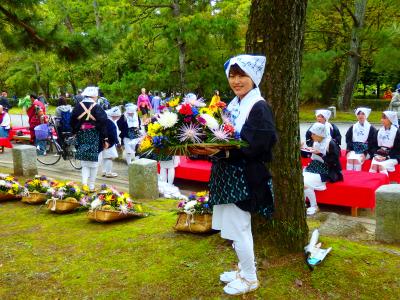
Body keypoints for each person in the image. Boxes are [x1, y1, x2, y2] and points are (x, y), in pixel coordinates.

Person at [197, 55, 276, 295]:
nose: (236, 81)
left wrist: (220, 151)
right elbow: (225, 137)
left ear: (254, 77)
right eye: (232, 75)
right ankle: (243, 269)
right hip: (227, 174)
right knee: (233, 227)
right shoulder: (234, 104)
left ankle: (250, 278)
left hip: (243, 177)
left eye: (242, 75)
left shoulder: (258, 107)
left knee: (240, 227)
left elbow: (257, 147)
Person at [71, 86, 108, 191]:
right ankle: (91, 186)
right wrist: (105, 138)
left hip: (81, 135)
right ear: (94, 96)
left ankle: (84, 184)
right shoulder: (97, 107)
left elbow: (72, 120)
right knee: (94, 164)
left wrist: (74, 132)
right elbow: (103, 123)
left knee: (85, 163)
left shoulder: (78, 106)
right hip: (94, 135)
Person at [303, 122, 343, 215]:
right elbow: (310, 154)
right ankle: (303, 203)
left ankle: (314, 206)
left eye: (313, 134)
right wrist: (302, 149)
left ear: (320, 134)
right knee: (299, 178)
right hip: (313, 167)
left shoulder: (331, 143)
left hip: (327, 170)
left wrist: (320, 154)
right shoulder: (316, 142)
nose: (311, 136)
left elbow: (334, 161)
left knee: (304, 182)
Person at [369, 111, 400, 176]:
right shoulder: (379, 131)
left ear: (390, 120)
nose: (382, 120)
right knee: (373, 166)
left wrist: (386, 157)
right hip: (379, 155)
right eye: (382, 118)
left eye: (384, 118)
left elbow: (398, 150)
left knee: (381, 166)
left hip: (393, 156)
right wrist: (375, 155)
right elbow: (374, 145)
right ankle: (372, 184)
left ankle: (385, 184)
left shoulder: (397, 132)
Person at [101, 107, 121, 178]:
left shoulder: (106, 120)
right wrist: (117, 142)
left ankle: (104, 171)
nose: (118, 117)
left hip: (104, 142)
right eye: (118, 116)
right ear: (114, 115)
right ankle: (108, 173)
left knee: (105, 157)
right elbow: (113, 134)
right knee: (109, 157)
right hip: (109, 142)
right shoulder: (111, 123)